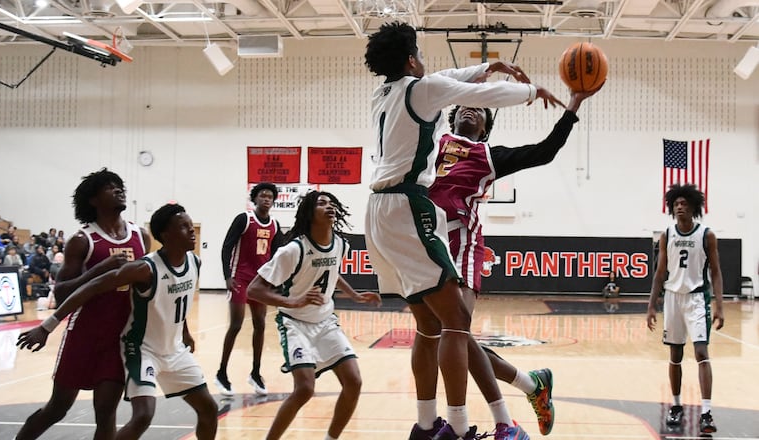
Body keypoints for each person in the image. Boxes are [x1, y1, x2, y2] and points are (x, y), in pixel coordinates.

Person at [364, 21, 562, 440]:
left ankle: (427, 424)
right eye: (419, 53)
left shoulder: (384, 94)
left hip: (381, 213)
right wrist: (532, 92)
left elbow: (452, 81)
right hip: (406, 207)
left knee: (431, 325)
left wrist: (492, 64)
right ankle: (461, 427)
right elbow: (471, 92)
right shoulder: (423, 95)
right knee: (454, 323)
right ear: (411, 59)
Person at [421, 89, 597, 438]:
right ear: (453, 116)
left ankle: (503, 424)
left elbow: (545, 152)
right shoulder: (433, 141)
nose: (471, 110)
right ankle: (532, 385)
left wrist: (573, 106)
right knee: (453, 336)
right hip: (426, 242)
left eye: (481, 111)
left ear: (486, 128)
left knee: (453, 331)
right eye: (466, 106)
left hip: (460, 244)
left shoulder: (487, 155)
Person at [17, 203, 218, 440]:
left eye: (190, 225)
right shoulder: (145, 268)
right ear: (165, 234)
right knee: (143, 415)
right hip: (142, 350)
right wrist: (47, 325)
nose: (191, 231)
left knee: (209, 409)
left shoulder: (195, 263)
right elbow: (93, 287)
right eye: (183, 227)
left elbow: (174, 300)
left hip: (175, 350)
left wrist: (184, 331)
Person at [14, 169, 150, 440]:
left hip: (120, 337)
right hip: (84, 334)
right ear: (93, 200)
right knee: (57, 408)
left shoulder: (140, 235)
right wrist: (98, 270)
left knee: (106, 412)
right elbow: (61, 292)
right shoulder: (82, 240)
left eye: (119, 186)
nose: (119, 190)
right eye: (110, 187)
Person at [248, 190, 381, 440]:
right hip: (295, 324)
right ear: (310, 212)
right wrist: (293, 301)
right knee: (305, 389)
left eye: (332, 203)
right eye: (321, 203)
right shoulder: (293, 250)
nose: (329, 206)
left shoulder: (340, 244)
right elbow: (254, 289)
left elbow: (332, 272)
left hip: (325, 321)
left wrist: (354, 295)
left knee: (354, 381)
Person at [646, 183, 724, 435]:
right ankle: (677, 406)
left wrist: (720, 306)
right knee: (675, 356)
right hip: (672, 298)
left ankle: (706, 411)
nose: (679, 206)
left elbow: (716, 271)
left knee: (701, 351)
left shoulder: (706, 235)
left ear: (693, 207)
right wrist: (650, 306)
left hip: (697, 298)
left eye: (684, 203)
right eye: (676, 203)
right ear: (672, 208)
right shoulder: (667, 234)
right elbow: (659, 273)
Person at [216, 182, 284, 397]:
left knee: (260, 325)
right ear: (254, 199)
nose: (266, 199)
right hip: (240, 279)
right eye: (262, 195)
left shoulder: (274, 224)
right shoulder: (244, 219)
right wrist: (227, 276)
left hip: (259, 281)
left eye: (270, 196)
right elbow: (227, 246)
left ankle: (255, 372)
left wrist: (274, 280)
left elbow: (275, 255)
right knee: (236, 324)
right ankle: (222, 373)